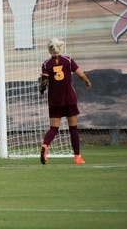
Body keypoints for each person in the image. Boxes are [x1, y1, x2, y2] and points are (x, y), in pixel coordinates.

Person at [39, 37, 91, 165]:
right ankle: (77, 157)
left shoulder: (46, 64)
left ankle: (45, 145)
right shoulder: (68, 60)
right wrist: (87, 81)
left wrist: (41, 91)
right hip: (69, 99)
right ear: (59, 48)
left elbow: (44, 81)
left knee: (54, 129)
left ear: (49, 50)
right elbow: (80, 74)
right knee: (73, 128)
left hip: (55, 100)